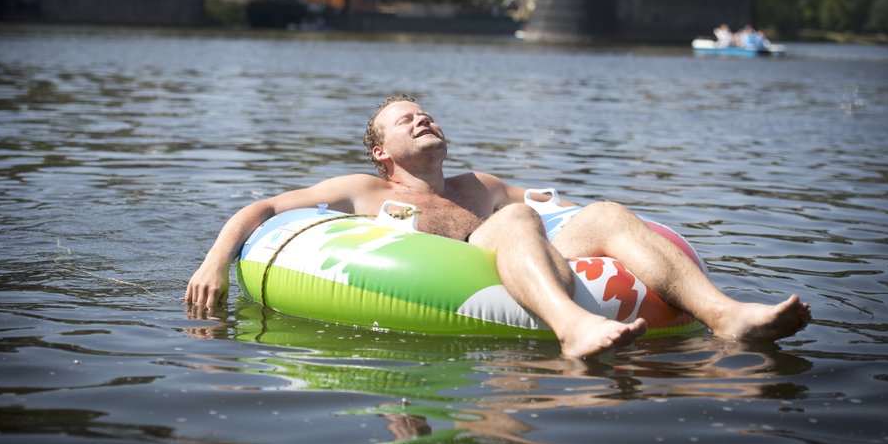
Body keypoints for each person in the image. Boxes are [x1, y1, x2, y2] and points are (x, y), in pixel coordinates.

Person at [185, 95, 811, 358]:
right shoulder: (362, 191)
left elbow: (557, 205)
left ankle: (726, 315)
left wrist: (557, 205)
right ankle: (573, 330)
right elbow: (263, 209)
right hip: (442, 276)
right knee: (513, 218)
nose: (424, 119)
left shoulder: (480, 185)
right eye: (407, 120)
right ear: (382, 151)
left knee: (606, 214)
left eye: (425, 113)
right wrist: (216, 261)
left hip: (531, 256)